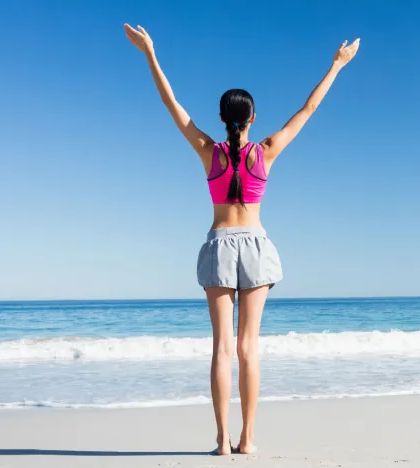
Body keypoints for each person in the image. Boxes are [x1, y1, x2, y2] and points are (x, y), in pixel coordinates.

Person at [124, 23, 360, 455]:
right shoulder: (265, 150)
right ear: (251, 118)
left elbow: (170, 102)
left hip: (218, 245)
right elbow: (307, 110)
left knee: (222, 350)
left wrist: (150, 53)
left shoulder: (208, 150)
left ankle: (222, 441)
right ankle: (248, 439)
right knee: (249, 348)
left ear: (221, 119)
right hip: (254, 245)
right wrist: (337, 66)